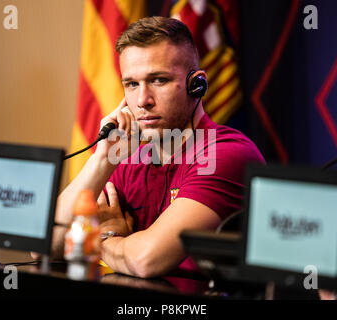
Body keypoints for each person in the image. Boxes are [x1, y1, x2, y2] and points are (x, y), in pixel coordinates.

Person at [49, 16, 265, 278]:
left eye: (158, 80)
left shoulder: (225, 154)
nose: (142, 101)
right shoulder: (126, 160)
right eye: (131, 84)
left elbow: (146, 260)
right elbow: (47, 246)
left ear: (196, 85)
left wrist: (104, 237)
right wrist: (103, 159)